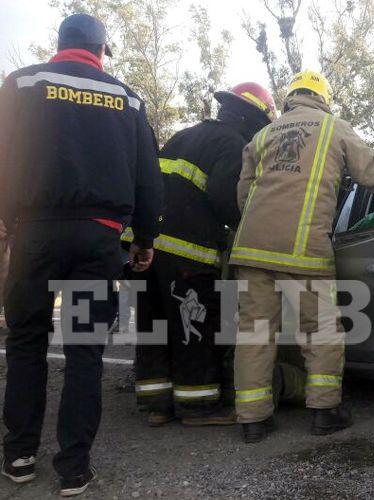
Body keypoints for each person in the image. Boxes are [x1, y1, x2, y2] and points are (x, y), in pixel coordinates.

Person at [0, 13, 163, 497]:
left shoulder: (23, 83)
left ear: (61, 43)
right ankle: (73, 467)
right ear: (101, 49)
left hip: (34, 233)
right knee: (84, 349)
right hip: (98, 238)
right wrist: (145, 238)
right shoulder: (126, 98)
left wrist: (8, 222)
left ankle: (19, 455)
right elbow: (146, 175)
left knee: (26, 341)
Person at [230, 70, 374, 443]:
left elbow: (244, 195)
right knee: (320, 330)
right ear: (323, 99)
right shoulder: (335, 128)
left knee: (254, 332)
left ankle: (253, 420)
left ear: (291, 97)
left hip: (251, 247)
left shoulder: (262, 135)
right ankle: (324, 411)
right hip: (303, 249)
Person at [126, 83, 277, 427]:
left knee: (154, 324)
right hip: (187, 254)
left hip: (146, 246)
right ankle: (198, 405)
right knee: (192, 327)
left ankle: (157, 404)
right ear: (255, 118)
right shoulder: (233, 144)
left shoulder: (186, 134)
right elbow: (228, 200)